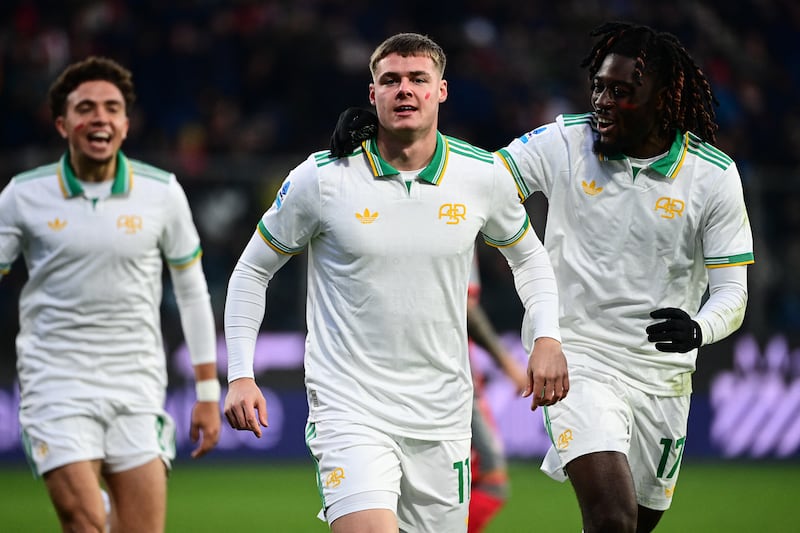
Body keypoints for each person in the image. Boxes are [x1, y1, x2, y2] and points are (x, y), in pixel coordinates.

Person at [330, 21, 754, 533]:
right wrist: (386, 139)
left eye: (622, 92)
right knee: (612, 520)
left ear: (662, 99)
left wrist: (699, 329)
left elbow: (732, 292)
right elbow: (476, 182)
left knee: (635, 524)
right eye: (598, 85)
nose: (601, 100)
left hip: (664, 379)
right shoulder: (565, 141)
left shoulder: (713, 176)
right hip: (578, 362)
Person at [222, 32, 568, 533]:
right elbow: (253, 270)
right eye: (391, 80)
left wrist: (547, 338)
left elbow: (530, 260)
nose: (404, 89)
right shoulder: (322, 179)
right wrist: (240, 374)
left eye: (417, 79)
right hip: (350, 410)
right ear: (373, 94)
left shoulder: (481, 175)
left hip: (444, 417)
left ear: (440, 91)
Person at [0, 56, 221, 532]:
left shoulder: (162, 193)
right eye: (86, 108)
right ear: (63, 124)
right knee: (85, 522)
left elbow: (192, 291)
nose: (99, 116)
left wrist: (207, 391)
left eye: (112, 107)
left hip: (136, 384)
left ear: (125, 123)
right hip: (54, 383)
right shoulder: (23, 196)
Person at [465, 253, 528, 533]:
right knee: (492, 482)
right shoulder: (454, 227)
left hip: (450, 376)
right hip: (453, 380)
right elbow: (465, 308)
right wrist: (509, 364)